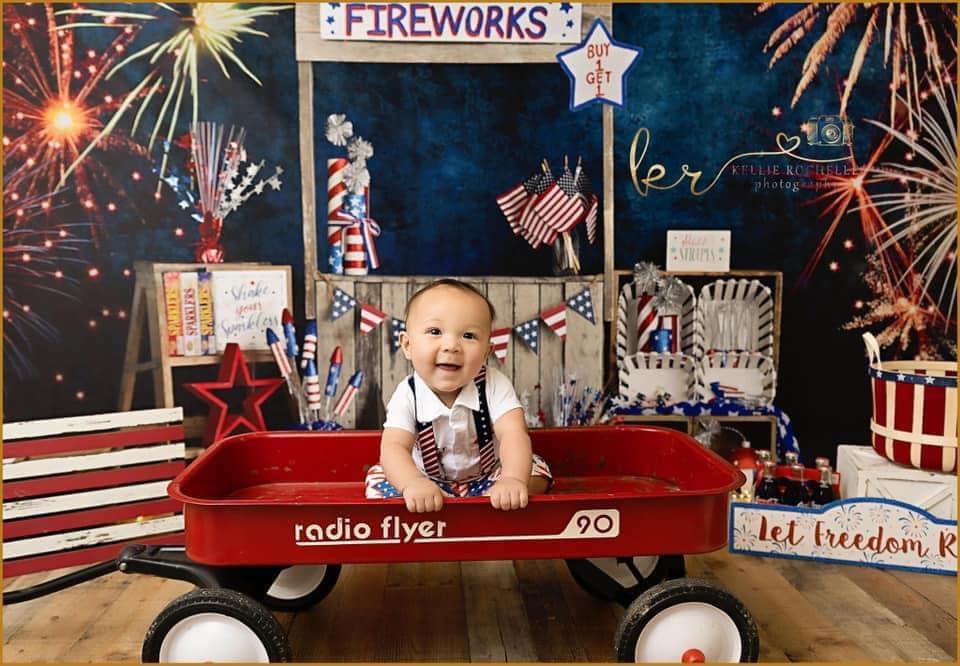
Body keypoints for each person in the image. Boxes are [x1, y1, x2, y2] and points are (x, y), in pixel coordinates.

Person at [365, 279, 551, 512]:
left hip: (489, 476)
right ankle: (431, 500)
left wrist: (512, 479)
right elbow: (394, 447)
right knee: (379, 482)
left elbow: (513, 434)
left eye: (469, 336)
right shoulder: (407, 394)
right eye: (435, 331)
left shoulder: (494, 385)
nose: (451, 345)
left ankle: (492, 500)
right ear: (407, 345)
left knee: (534, 472)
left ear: (486, 352)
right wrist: (413, 482)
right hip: (426, 479)